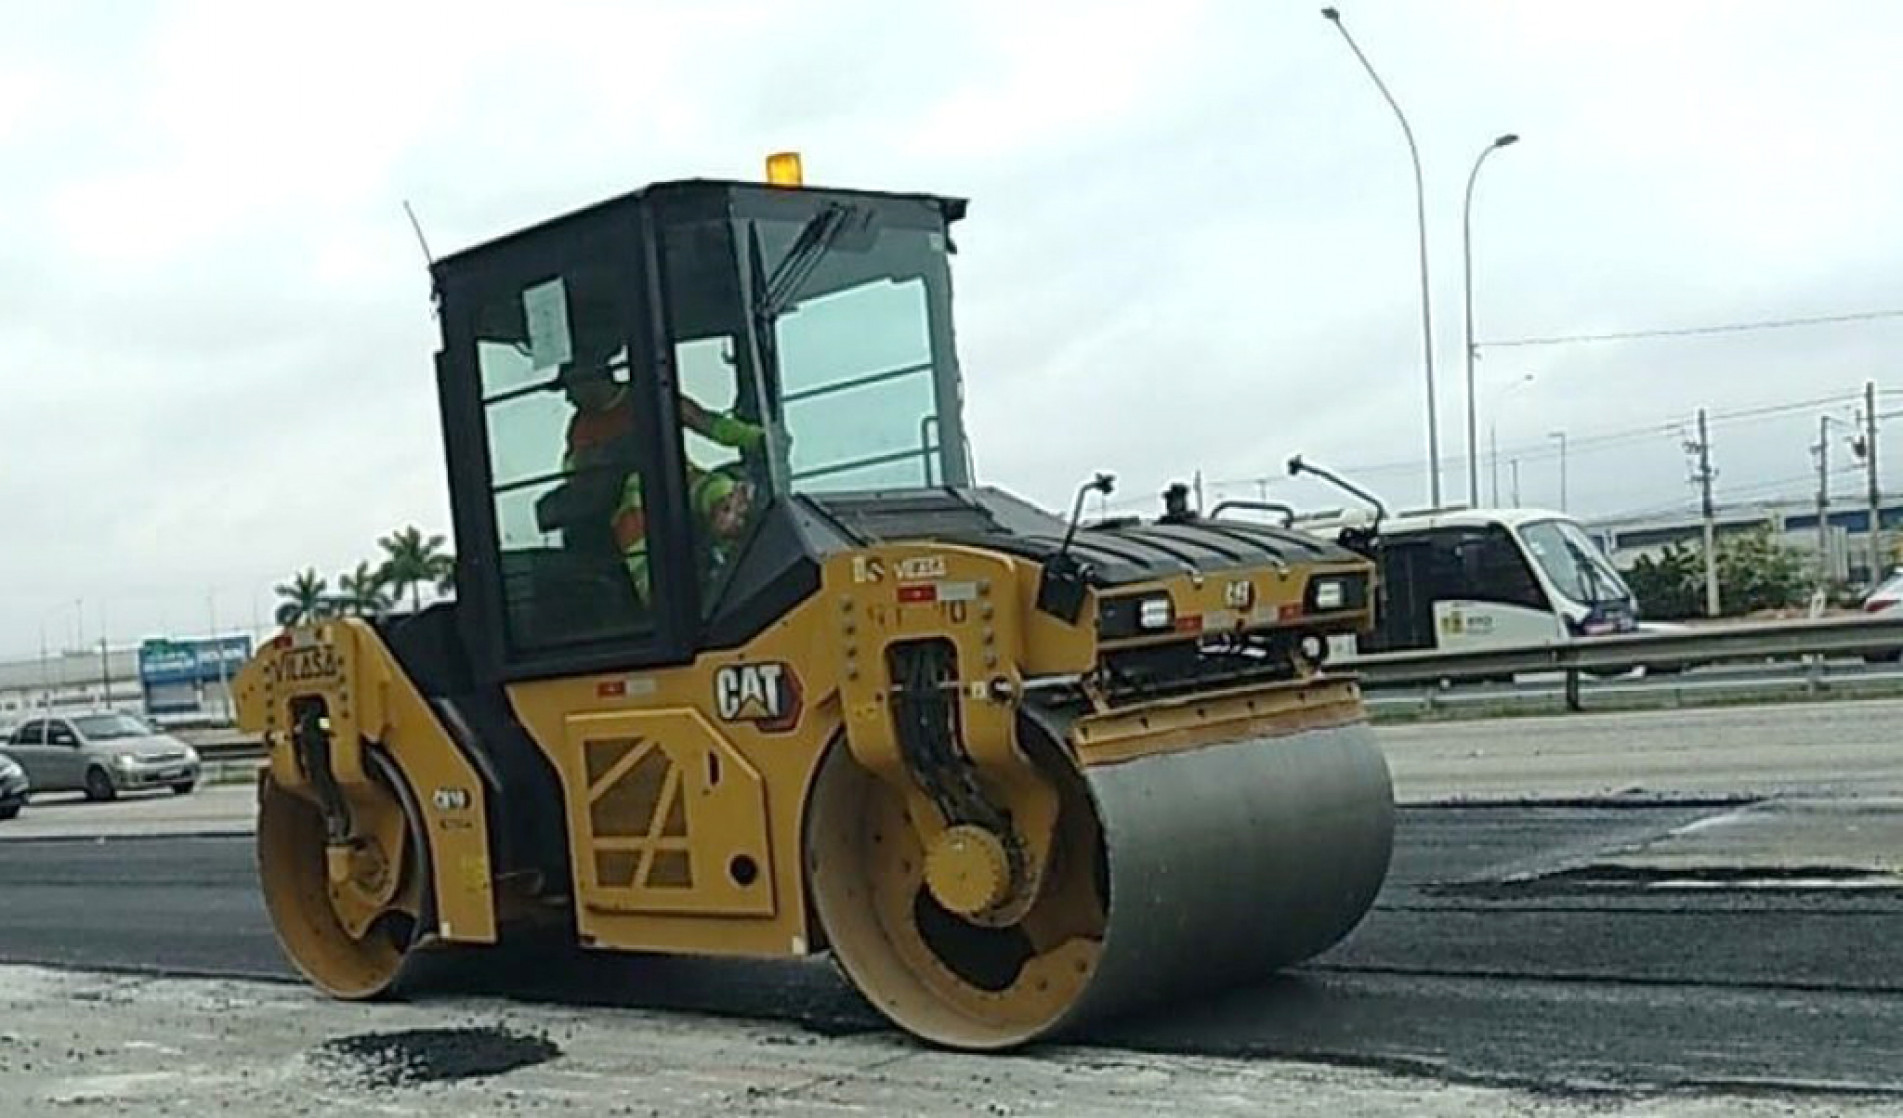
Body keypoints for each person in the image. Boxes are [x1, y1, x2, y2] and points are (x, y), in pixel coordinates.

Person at [558, 356, 766, 604]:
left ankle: (740, 570)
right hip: (626, 500)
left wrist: (757, 438)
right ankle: (658, 597)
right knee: (632, 513)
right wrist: (596, 457)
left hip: (680, 479)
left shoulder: (649, 398)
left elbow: (707, 423)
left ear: (592, 378)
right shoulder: (580, 427)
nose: (568, 398)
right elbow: (572, 469)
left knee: (721, 492)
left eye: (570, 387)